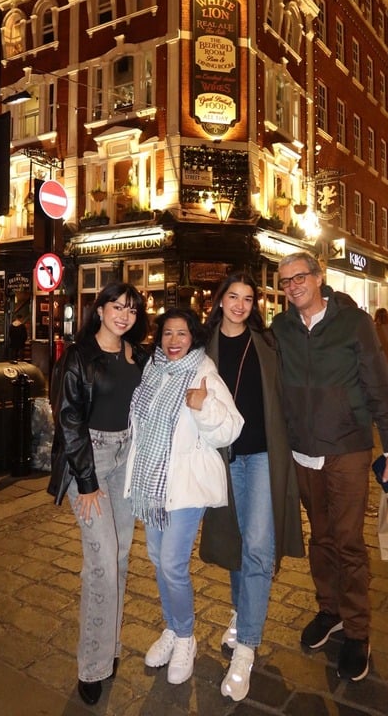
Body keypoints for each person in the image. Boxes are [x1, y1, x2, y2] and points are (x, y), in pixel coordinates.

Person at [271, 251, 388, 682]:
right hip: (303, 451)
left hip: (347, 448)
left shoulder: (354, 323)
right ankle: (329, 610)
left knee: (348, 541)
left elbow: (378, 387)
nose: (293, 286)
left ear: (318, 277)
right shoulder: (281, 328)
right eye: (285, 281)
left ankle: (357, 631)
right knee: (321, 537)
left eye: (299, 277)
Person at [125, 307, 243, 686]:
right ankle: (173, 629)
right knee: (158, 560)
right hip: (153, 484)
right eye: (167, 334)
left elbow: (231, 428)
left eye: (181, 334)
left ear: (193, 337)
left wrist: (203, 406)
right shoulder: (153, 369)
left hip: (186, 486)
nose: (173, 341)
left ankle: (185, 638)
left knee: (172, 564)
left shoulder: (203, 372)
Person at [203, 272, 304, 701]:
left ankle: (246, 647)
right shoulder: (202, 345)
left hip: (262, 454)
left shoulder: (267, 343)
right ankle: (242, 612)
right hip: (222, 458)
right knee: (235, 540)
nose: (240, 305)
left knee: (259, 546)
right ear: (220, 300)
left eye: (248, 298)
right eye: (233, 296)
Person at [47, 282, 149, 706]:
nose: (124, 315)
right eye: (117, 306)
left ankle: (110, 647)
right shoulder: (78, 356)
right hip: (89, 459)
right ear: (101, 309)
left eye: (132, 309)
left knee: (119, 559)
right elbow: (67, 418)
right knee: (103, 564)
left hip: (126, 459)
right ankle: (91, 665)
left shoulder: (138, 355)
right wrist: (86, 482)